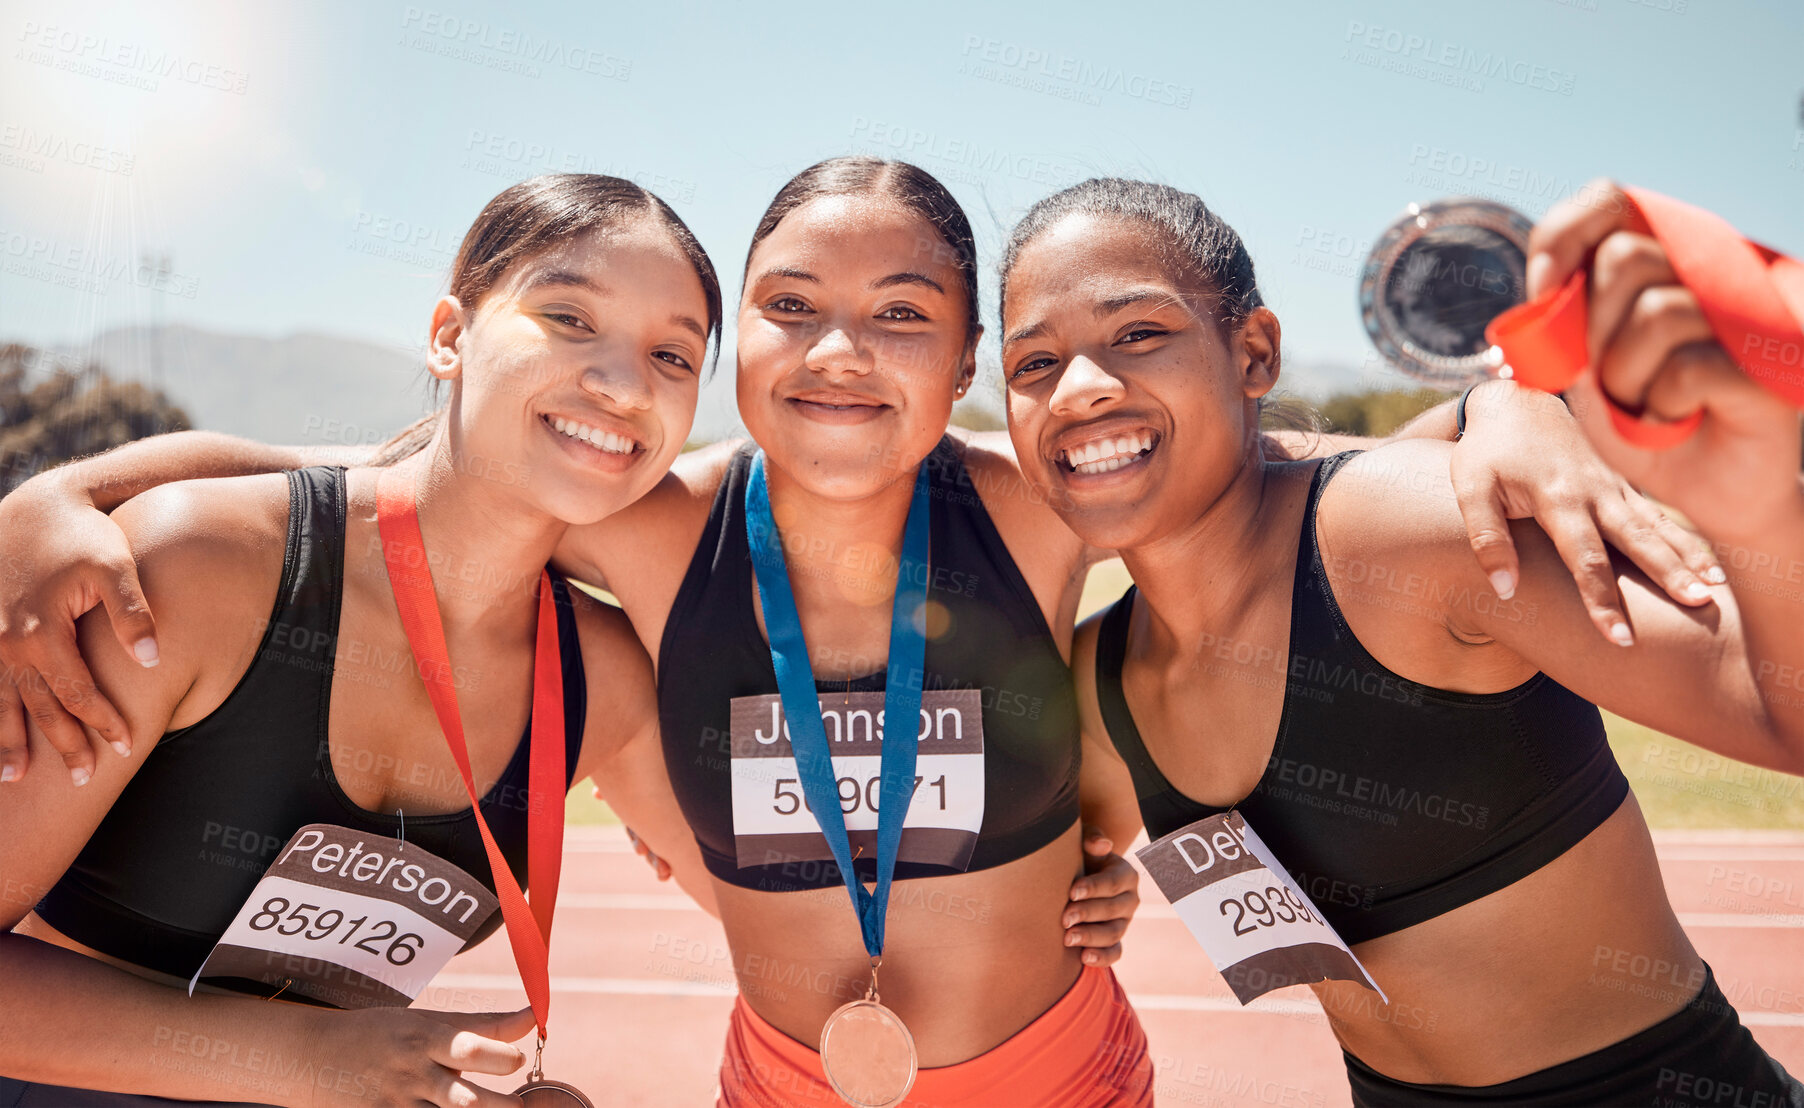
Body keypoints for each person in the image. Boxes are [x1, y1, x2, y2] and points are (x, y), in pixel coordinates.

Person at [0, 159, 1720, 1108]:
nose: (840, 351)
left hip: (1050, 1070)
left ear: (967, 354)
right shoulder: (656, 524)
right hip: (781, 1076)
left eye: (902, 317)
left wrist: (1509, 408)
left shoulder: (1027, 497)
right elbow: (415, 469)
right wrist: (67, 491)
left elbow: (1278, 471)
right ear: (737, 347)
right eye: (788, 312)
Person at [998, 175, 1804, 1105]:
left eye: (1139, 333)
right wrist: (1092, 893)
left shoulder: (1403, 536)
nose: (1082, 389)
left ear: (1254, 352)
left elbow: (1776, 704)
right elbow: (1017, 890)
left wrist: (1753, 491)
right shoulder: (1104, 687)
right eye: (1033, 365)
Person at [0, 173, 726, 1106]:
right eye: (569, 317)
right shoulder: (199, 571)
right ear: (451, 336)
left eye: (674, 355)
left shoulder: (605, 688)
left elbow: (787, 923)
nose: (623, 382)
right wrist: (304, 1061)